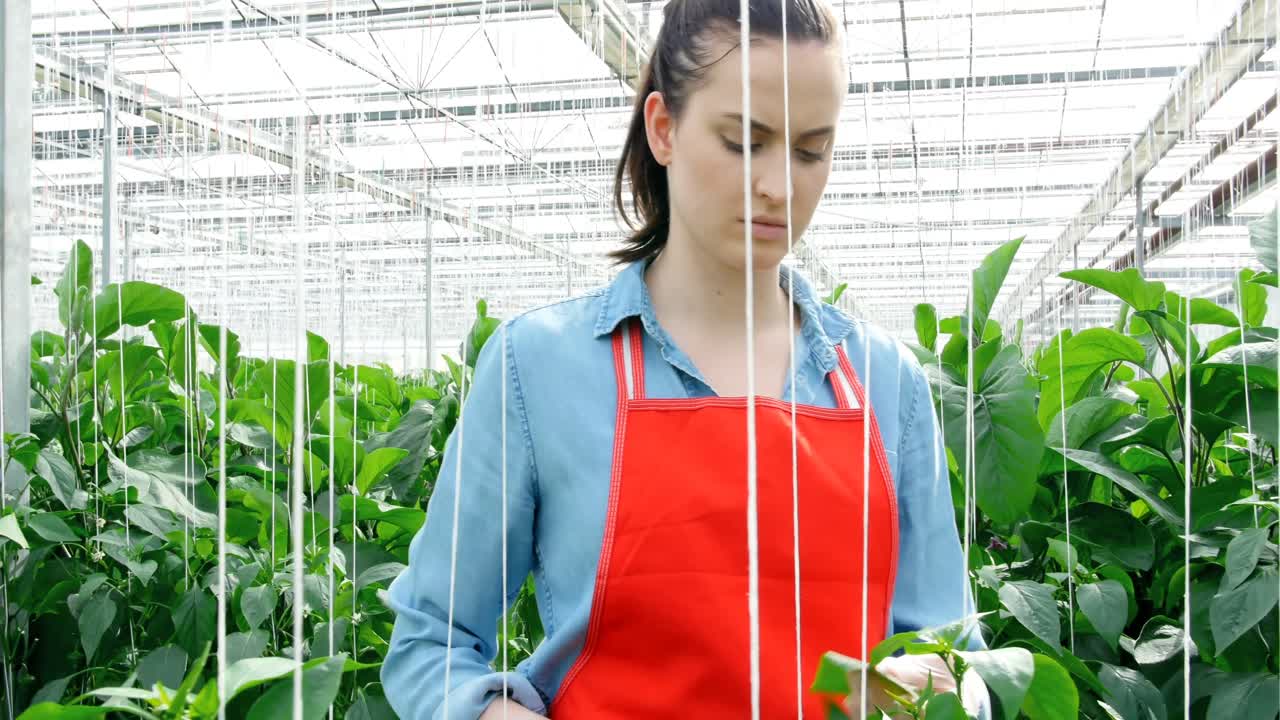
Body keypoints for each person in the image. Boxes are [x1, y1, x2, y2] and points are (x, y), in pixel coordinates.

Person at [383, 0, 986, 717]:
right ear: (663, 128)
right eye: (743, 142)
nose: (779, 188)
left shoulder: (887, 385)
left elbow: (954, 654)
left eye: (810, 150)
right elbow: (431, 638)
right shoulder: (535, 369)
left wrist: (938, 690)